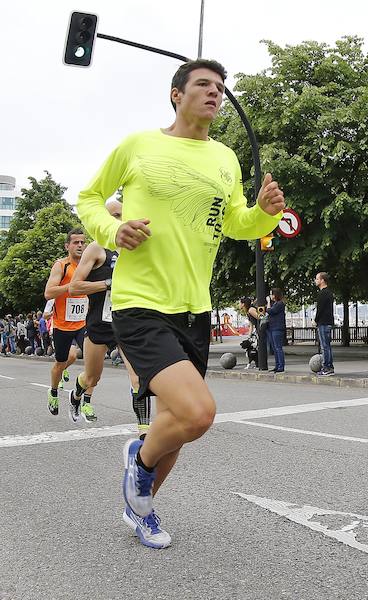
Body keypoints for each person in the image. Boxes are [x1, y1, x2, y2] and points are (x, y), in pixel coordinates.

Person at [77, 58, 284, 549]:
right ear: (177, 94)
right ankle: (140, 462)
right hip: (141, 303)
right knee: (197, 414)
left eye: (220, 87)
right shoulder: (140, 145)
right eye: (204, 85)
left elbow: (236, 222)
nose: (215, 93)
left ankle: (141, 506)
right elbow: (89, 197)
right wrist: (112, 229)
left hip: (194, 307)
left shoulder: (225, 159)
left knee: (175, 420)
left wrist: (265, 214)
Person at [68, 198, 145, 425]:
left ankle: (144, 431)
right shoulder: (96, 248)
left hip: (127, 321)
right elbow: (74, 287)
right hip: (99, 323)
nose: (119, 221)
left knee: (138, 378)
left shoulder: (134, 248)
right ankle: (76, 396)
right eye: (113, 216)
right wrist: (108, 284)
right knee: (92, 377)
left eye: (122, 215)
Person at [43, 228, 88, 414]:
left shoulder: (89, 265)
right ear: (67, 246)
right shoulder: (61, 266)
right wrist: (71, 287)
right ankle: (53, 392)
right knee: (61, 362)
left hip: (83, 323)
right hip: (62, 324)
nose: (79, 245)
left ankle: (80, 397)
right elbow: (48, 293)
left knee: (94, 364)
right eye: (75, 242)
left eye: (82, 242)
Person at [314, 272, 335, 376]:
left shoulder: (322, 293)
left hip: (323, 322)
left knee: (324, 346)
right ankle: (329, 366)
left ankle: (326, 367)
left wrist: (316, 320)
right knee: (327, 346)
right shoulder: (329, 293)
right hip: (328, 321)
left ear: (322, 280)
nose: (315, 280)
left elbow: (320, 309)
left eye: (317, 279)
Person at [266, 288, 286, 373]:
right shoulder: (276, 304)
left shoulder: (279, 304)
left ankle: (281, 366)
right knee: (274, 348)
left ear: (275, 295)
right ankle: (277, 365)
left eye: (272, 294)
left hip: (277, 328)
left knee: (278, 348)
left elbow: (270, 311)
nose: (270, 296)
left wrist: (268, 302)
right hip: (272, 327)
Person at [238, 296, 259, 369]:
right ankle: (258, 364)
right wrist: (249, 336)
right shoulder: (248, 311)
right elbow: (251, 325)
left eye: (240, 303)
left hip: (260, 330)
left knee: (259, 347)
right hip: (257, 330)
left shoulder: (251, 310)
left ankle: (260, 364)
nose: (239, 305)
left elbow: (260, 317)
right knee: (257, 347)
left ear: (243, 304)